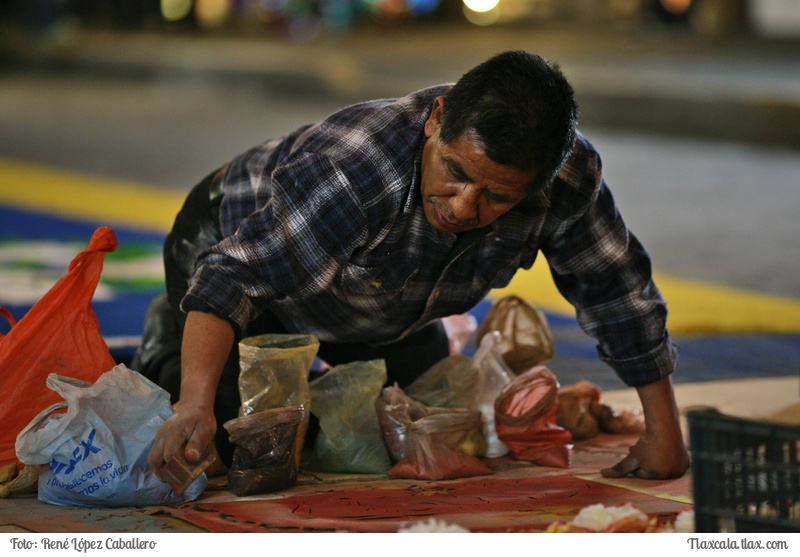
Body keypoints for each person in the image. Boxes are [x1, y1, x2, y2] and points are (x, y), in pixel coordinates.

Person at [137, 49, 689, 481]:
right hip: (231, 247)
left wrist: (665, 434)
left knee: (426, 429)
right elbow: (231, 279)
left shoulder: (567, 178)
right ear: (437, 119)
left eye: (498, 198)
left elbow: (614, 287)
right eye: (456, 172)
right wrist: (192, 406)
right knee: (252, 444)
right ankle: (169, 336)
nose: (463, 208)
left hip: (375, 296)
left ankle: (331, 351)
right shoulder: (355, 172)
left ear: (543, 181)